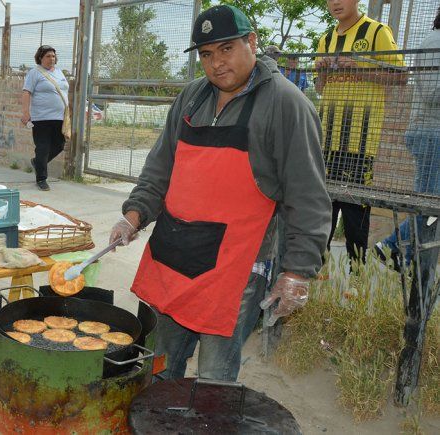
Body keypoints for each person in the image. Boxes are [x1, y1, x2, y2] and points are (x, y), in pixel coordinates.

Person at [109, 5, 331, 382]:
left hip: (232, 271)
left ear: (252, 42)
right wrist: (134, 215)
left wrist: (297, 271)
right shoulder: (193, 97)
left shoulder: (286, 104)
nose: (216, 63)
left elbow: (307, 196)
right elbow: (160, 167)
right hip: (173, 255)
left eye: (226, 49)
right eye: (206, 54)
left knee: (213, 380)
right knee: (158, 366)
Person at [315, 0, 405, 265]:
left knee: (355, 214)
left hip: (360, 141)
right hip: (326, 139)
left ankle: (355, 282)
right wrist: (321, 72)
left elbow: (401, 76)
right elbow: (320, 89)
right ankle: (315, 278)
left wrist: (359, 68)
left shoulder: (377, 31)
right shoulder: (326, 38)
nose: (335, 3)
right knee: (322, 211)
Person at [376, 7, 440, 270]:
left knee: (431, 206)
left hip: (431, 134)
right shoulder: (435, 42)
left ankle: (403, 253)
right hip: (430, 135)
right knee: (429, 205)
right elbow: (433, 93)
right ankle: (393, 245)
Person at [21, 45, 69, 191]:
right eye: (48, 56)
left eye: (53, 56)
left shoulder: (60, 72)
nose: (51, 59)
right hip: (41, 118)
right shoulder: (35, 73)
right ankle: (41, 178)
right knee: (43, 147)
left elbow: (64, 91)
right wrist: (25, 113)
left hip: (60, 117)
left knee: (59, 145)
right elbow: (26, 92)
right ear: (40, 58)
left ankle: (38, 163)